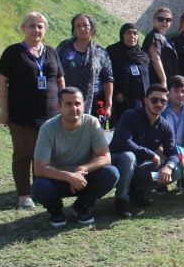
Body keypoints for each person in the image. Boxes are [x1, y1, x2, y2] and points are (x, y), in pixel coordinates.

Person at [0, 11, 65, 209]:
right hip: (22, 115)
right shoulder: (13, 52)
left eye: (40, 26)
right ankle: (24, 195)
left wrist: (64, 104)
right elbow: (1, 82)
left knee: (45, 154)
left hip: (50, 116)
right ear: (23, 28)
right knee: (23, 153)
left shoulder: (51, 52)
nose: (36, 30)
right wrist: (4, 110)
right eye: (32, 26)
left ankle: (40, 190)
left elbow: (60, 79)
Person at [32, 87, 119, 227]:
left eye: (78, 103)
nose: (74, 108)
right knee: (40, 186)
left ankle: (82, 205)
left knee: (111, 173)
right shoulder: (47, 129)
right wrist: (69, 176)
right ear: (59, 107)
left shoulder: (92, 123)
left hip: (84, 178)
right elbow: (40, 169)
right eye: (68, 104)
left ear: (83, 105)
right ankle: (55, 209)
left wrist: (81, 169)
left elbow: (105, 157)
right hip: (57, 180)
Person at [109, 84, 181, 217]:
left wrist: (168, 167)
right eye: (154, 100)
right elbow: (123, 141)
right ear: (145, 100)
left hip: (140, 167)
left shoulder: (165, 126)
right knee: (128, 157)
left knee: (175, 171)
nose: (158, 104)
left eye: (163, 101)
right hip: (116, 163)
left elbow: (173, 153)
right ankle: (121, 200)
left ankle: (136, 190)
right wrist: (150, 153)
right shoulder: (130, 115)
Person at [56, 13, 113, 121]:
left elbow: (108, 79)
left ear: (92, 28)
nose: (82, 28)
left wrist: (108, 105)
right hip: (67, 102)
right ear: (74, 29)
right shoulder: (64, 47)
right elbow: (54, 71)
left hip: (93, 104)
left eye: (85, 25)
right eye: (78, 26)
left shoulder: (100, 52)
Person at [107, 23, 150, 128]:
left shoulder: (142, 53)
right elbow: (108, 74)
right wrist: (116, 92)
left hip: (141, 98)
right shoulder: (113, 51)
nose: (132, 36)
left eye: (135, 33)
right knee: (124, 126)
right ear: (122, 35)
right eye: (128, 33)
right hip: (122, 98)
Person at [142, 7, 178, 87]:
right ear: (154, 20)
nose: (164, 22)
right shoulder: (153, 36)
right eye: (161, 19)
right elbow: (155, 59)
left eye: (168, 20)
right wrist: (163, 80)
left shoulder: (167, 39)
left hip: (169, 80)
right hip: (157, 81)